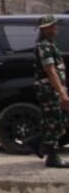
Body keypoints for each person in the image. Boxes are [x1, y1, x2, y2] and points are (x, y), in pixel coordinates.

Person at [34, 15, 69, 168]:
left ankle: (36, 142)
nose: (56, 28)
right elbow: (50, 71)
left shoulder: (50, 44)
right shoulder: (44, 46)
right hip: (49, 89)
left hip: (54, 88)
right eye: (53, 26)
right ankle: (52, 157)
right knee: (54, 121)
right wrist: (61, 93)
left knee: (59, 120)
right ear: (45, 29)